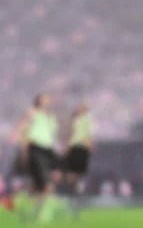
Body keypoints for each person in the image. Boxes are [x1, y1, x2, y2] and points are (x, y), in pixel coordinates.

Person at [15, 93, 61, 221]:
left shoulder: (51, 117)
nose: (48, 102)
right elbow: (22, 128)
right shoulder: (33, 112)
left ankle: (30, 205)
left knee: (39, 185)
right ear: (39, 101)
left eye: (49, 100)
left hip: (48, 150)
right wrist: (23, 146)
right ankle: (45, 213)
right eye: (45, 100)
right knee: (46, 182)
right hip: (36, 149)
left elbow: (52, 136)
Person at [62, 102, 93, 213]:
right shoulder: (74, 120)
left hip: (81, 148)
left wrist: (89, 144)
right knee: (72, 174)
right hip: (74, 147)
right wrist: (66, 147)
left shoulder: (87, 119)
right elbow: (69, 134)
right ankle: (71, 196)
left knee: (78, 173)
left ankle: (75, 195)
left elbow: (88, 134)